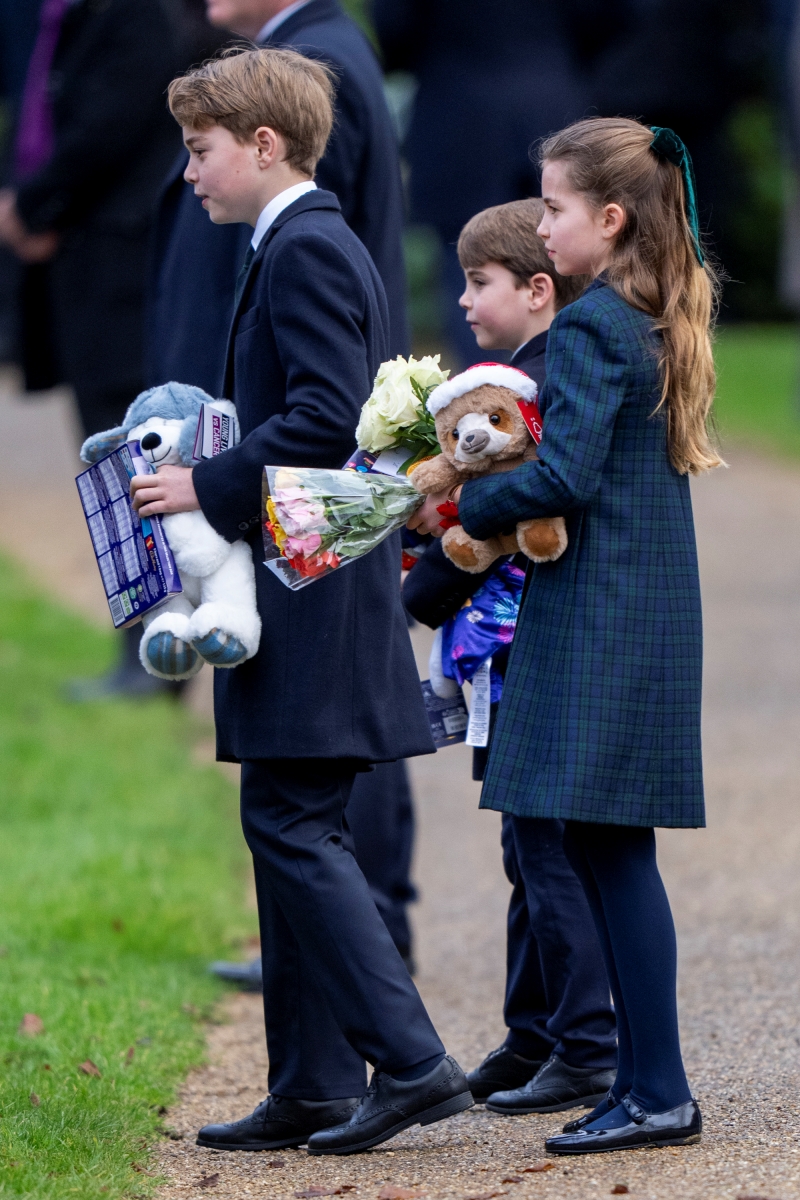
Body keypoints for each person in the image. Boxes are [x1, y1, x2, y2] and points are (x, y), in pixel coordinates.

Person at [131, 46, 473, 1155]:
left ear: (263, 146)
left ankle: (410, 1062)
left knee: (292, 824)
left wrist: (205, 485)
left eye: (200, 151)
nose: (189, 174)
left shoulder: (309, 249)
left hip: (313, 585)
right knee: (287, 821)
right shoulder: (291, 242)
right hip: (301, 578)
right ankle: (316, 1083)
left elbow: (326, 416)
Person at [410, 117, 720, 1154]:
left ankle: (657, 1089)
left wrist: (461, 507)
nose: (539, 227)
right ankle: (639, 1082)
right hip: (636, 611)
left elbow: (563, 478)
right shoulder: (647, 319)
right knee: (603, 851)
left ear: (608, 217)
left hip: (600, 615)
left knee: (609, 857)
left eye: (549, 208)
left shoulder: (590, 327)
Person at [404, 199, 617, 1115]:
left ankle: (586, 1043)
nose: (462, 299)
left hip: (527, 640)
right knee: (520, 841)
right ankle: (534, 1032)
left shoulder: (526, 395)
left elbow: (498, 527)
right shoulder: (498, 388)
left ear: (537, 290)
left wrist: (421, 581)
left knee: (543, 843)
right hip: (507, 648)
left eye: (478, 282)